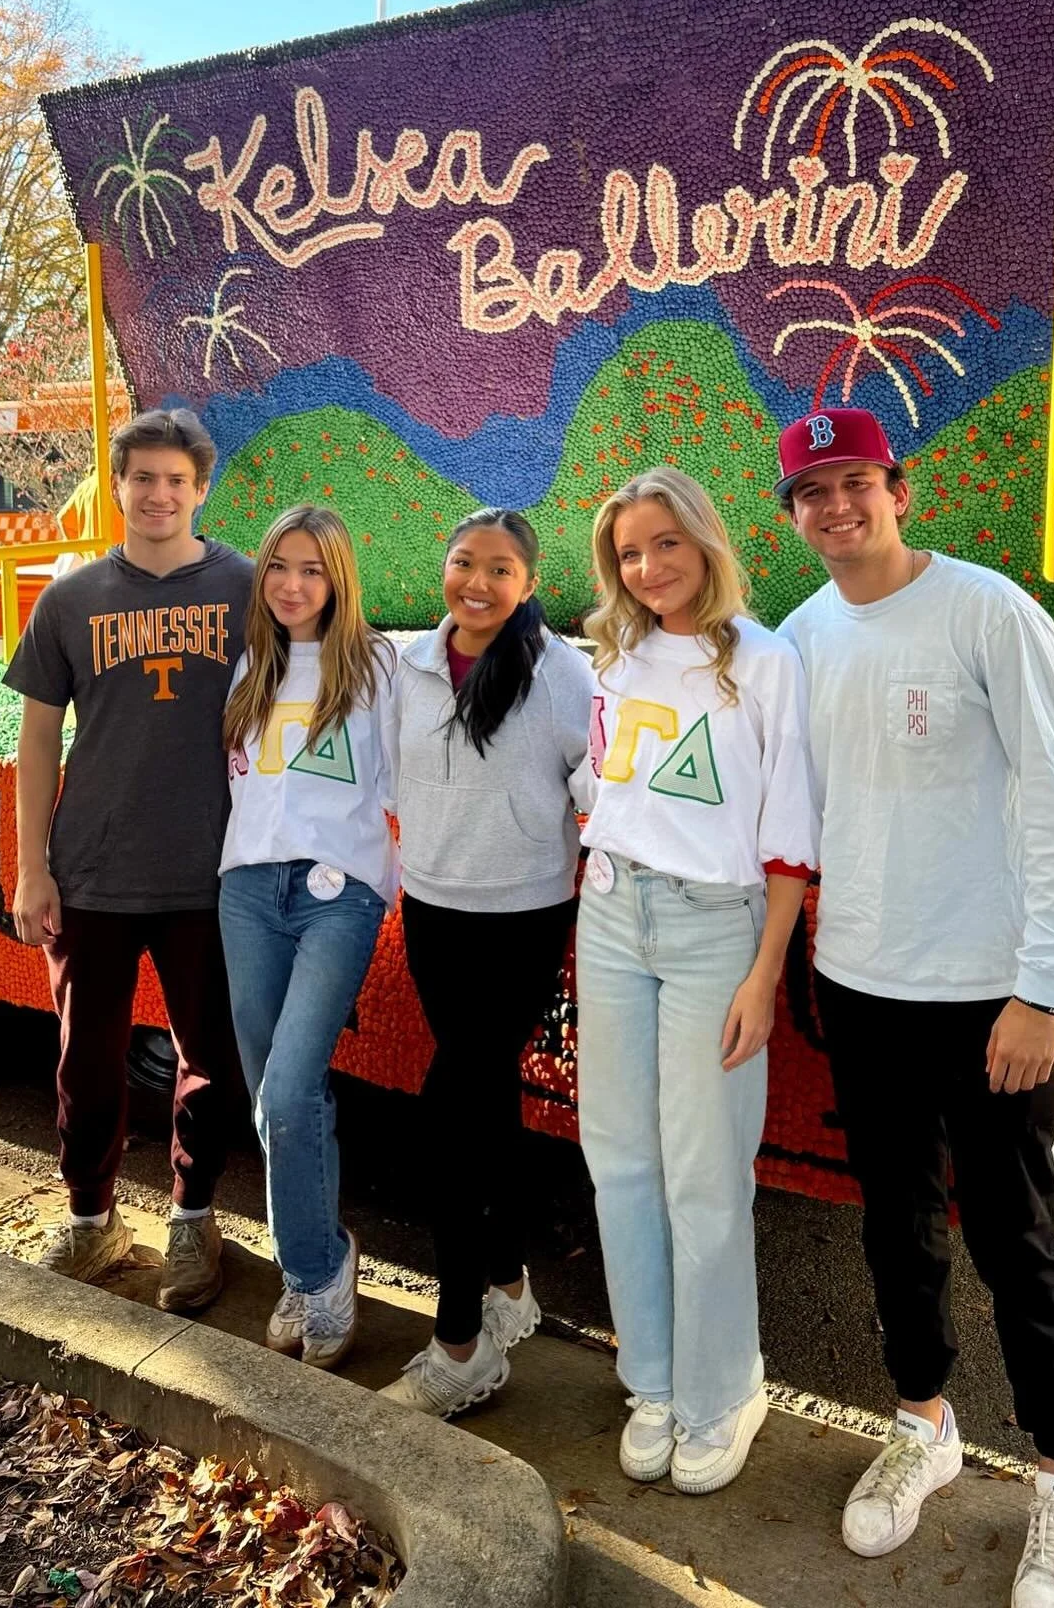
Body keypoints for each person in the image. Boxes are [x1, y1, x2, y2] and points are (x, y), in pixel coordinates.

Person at [774, 407, 1054, 1608]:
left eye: (855, 483)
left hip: (987, 998)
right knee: (896, 1225)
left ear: (897, 490)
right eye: (813, 493)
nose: (837, 508)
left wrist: (1039, 986)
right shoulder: (800, 638)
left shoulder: (987, 610)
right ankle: (923, 1423)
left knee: (1015, 1236)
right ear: (792, 515)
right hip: (862, 985)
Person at [576, 467, 815, 1497]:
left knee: (704, 1168)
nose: (648, 567)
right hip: (610, 912)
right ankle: (656, 1383)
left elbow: (790, 833)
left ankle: (724, 1390)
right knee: (621, 1158)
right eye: (630, 552)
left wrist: (765, 972)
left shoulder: (763, 661)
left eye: (666, 543)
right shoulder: (615, 652)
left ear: (705, 542)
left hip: (717, 927)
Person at [7, 407, 253, 1311]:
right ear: (117, 486)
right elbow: (37, 739)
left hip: (209, 868)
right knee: (86, 1058)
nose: (158, 495)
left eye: (175, 481)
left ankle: (194, 1220)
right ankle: (90, 1218)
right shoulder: (70, 599)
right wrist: (34, 868)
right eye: (142, 478)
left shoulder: (245, 588)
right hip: (93, 869)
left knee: (208, 1058)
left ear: (200, 489)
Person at [379, 509, 594, 1420]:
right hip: (433, 910)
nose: (477, 582)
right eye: (464, 562)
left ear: (528, 582)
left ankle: (462, 1340)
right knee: (489, 1097)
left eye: (500, 569)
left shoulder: (562, 674)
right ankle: (509, 1286)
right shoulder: (409, 665)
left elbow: (604, 789)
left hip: (522, 918)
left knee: (450, 1112)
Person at [218, 505, 397, 1370]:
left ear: (339, 579)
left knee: (289, 1093)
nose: (293, 585)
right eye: (279, 566)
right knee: (272, 1100)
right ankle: (316, 1257)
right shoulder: (249, 665)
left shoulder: (378, 668)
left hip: (338, 899)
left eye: (312, 569)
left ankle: (318, 1271)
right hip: (248, 891)